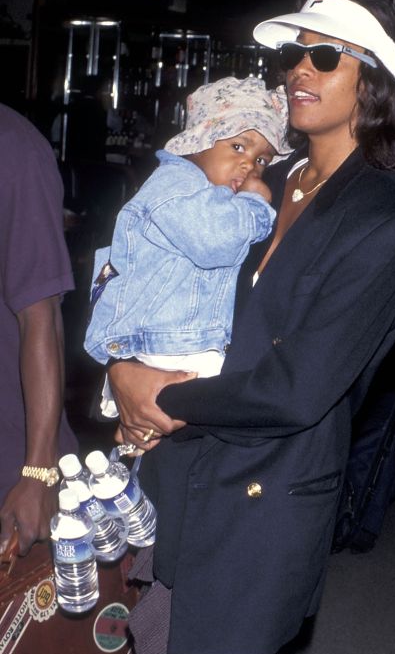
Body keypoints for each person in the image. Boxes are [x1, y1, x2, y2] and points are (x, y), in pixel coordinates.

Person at [107, 0, 395, 654]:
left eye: (323, 55)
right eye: (295, 50)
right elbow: (150, 259)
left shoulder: (385, 216)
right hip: (185, 482)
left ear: (373, 82)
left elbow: (296, 387)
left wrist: (162, 397)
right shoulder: (265, 173)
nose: (297, 68)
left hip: (266, 502)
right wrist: (125, 361)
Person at [0, 102, 136, 654]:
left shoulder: (10, 146)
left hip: (15, 438)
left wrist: (37, 464)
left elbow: (40, 319)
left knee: (61, 622)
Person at [84, 75, 291, 413]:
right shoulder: (177, 185)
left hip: (170, 346)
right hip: (166, 346)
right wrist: (255, 205)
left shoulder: (205, 194)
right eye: (238, 146)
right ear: (198, 141)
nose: (248, 165)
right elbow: (216, 242)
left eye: (261, 160)